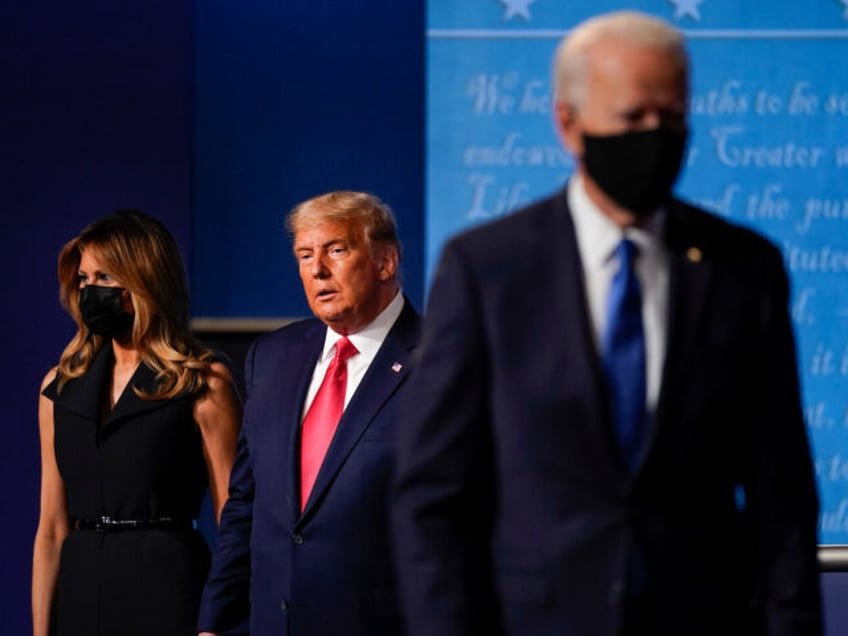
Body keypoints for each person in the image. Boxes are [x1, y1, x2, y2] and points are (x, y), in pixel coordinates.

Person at [393, 10, 822, 636]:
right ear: (570, 124)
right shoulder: (487, 269)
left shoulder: (743, 268)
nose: (656, 136)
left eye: (672, 119)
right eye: (633, 118)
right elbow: (432, 491)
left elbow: (780, 488)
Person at [198, 190, 421, 636]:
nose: (317, 269)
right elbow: (245, 504)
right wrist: (215, 620)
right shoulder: (272, 356)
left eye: (336, 250)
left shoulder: (444, 360)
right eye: (304, 255)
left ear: (385, 263)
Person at [31, 210, 242, 636]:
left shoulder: (202, 382)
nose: (91, 291)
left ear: (144, 281)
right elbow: (52, 529)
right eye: (84, 280)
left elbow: (234, 521)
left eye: (105, 278)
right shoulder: (59, 388)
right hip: (81, 598)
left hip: (170, 594)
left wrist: (219, 622)